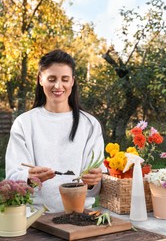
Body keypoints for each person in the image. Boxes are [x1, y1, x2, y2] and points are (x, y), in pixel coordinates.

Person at [5, 49, 105, 213]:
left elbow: (97, 185)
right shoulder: (24, 123)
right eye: (51, 79)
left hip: (80, 214)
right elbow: (12, 179)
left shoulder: (90, 124)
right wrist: (28, 178)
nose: (58, 86)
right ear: (40, 80)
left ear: (72, 81)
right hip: (34, 217)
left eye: (65, 79)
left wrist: (95, 179)